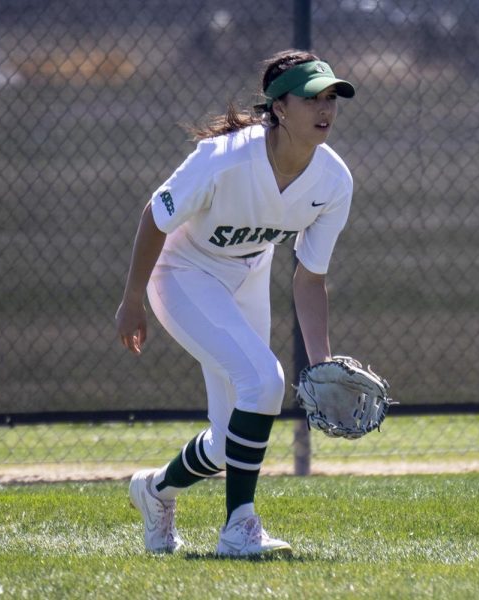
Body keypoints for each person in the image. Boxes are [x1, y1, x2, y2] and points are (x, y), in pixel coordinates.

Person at [114, 49, 355, 557]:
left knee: (231, 441)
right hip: (183, 271)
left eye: (332, 96)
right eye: (312, 96)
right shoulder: (225, 158)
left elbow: (310, 279)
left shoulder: (333, 180)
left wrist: (321, 363)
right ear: (280, 108)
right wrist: (132, 300)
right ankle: (239, 527)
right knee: (264, 381)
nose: (325, 107)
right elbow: (155, 217)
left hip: (248, 272)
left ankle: (155, 491)